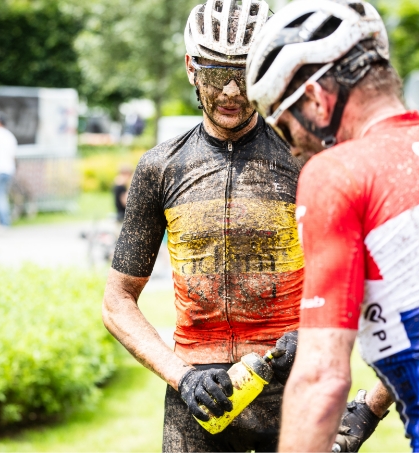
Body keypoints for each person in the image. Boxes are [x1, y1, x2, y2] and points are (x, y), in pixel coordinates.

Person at [103, 1, 387, 451]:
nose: (232, 91)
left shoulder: (303, 155)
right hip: (196, 396)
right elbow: (117, 302)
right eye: (218, 74)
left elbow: (357, 276)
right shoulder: (160, 167)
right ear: (191, 68)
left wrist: (312, 333)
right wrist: (182, 378)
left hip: (292, 385)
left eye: (246, 72)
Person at [246, 0, 419, 451]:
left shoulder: (339, 173)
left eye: (283, 127)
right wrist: (374, 406)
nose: (292, 149)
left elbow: (322, 379)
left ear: (317, 100)